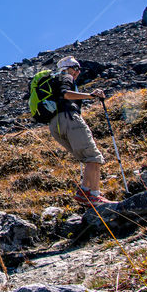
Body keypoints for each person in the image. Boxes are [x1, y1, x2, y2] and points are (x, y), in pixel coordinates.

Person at [47, 56, 114, 207]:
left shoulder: (53, 81)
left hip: (55, 125)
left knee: (86, 157)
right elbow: (66, 94)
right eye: (75, 68)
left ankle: (87, 193)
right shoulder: (65, 77)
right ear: (67, 68)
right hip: (69, 119)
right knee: (93, 156)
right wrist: (91, 96)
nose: (78, 72)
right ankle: (92, 194)